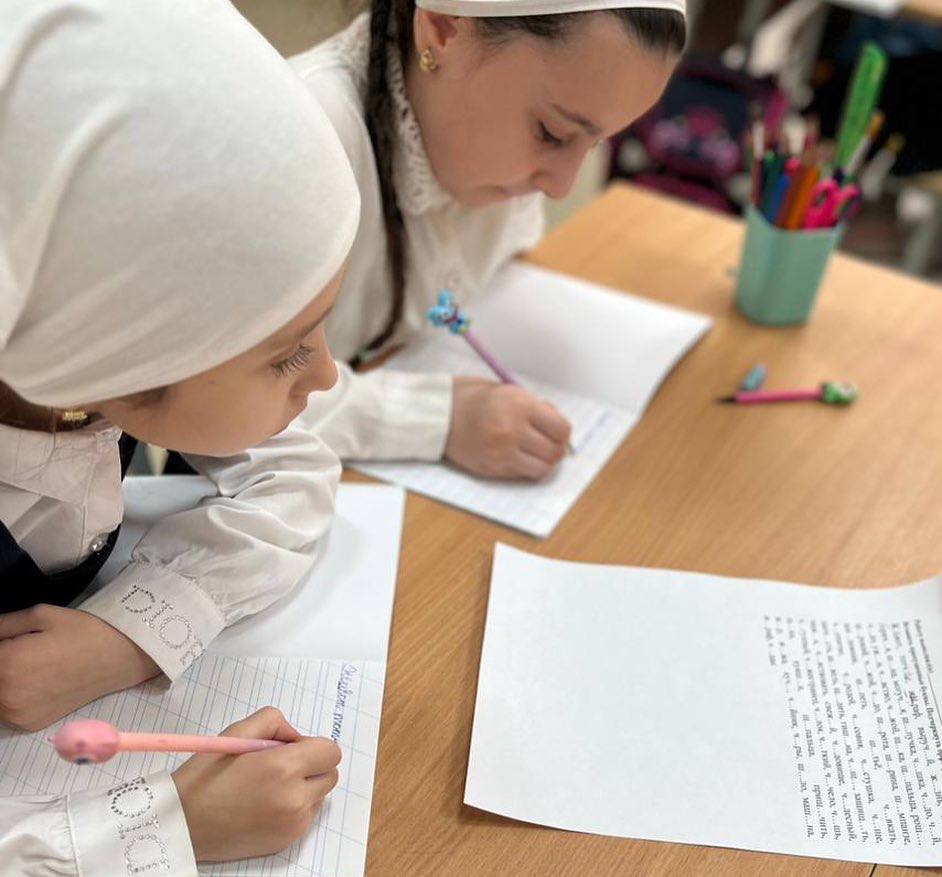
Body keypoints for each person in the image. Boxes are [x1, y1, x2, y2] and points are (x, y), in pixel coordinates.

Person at [0, 0, 361, 871]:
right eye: (286, 353)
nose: (326, 377)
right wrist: (165, 828)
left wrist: (127, 637)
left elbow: (296, 469)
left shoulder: (71, 376)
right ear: (118, 348)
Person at [293, 0, 685, 480]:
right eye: (553, 133)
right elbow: (230, 397)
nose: (561, 187)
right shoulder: (305, 141)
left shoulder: (482, 153)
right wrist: (439, 419)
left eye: (595, 143)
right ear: (442, 27)